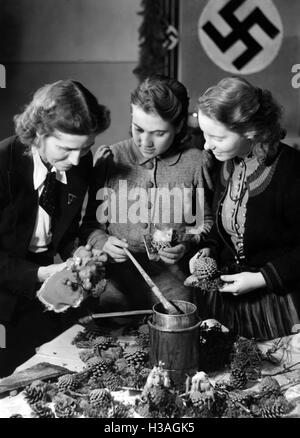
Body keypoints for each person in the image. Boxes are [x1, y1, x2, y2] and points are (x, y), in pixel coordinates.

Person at [0, 79, 110, 376]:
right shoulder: (2, 164)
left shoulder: (78, 161)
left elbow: (61, 231)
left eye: (85, 148)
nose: (75, 160)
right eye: (65, 149)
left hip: (39, 295)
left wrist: (79, 253)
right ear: (38, 133)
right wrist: (40, 273)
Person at [81, 75, 214, 312]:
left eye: (159, 133)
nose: (146, 142)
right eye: (138, 129)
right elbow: (90, 224)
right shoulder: (110, 159)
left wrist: (185, 242)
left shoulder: (196, 162)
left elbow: (207, 223)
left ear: (179, 127)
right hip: (115, 290)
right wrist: (102, 242)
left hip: (175, 291)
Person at [190, 76, 300, 340]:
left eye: (216, 136)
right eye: (204, 133)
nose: (206, 144)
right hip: (227, 303)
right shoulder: (225, 163)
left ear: (250, 131)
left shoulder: (292, 170)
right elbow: (226, 229)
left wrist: (261, 278)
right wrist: (209, 249)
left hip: (279, 305)